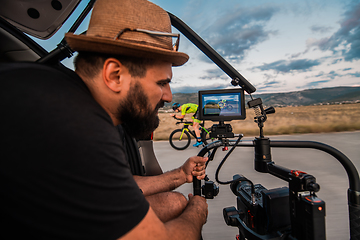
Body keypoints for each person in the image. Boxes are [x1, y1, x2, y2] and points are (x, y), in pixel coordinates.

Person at [0, 0, 208, 239]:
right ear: (115, 75)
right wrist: (198, 210)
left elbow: (114, 184)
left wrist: (180, 175)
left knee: (174, 201)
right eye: (162, 83)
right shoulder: (74, 122)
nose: (169, 97)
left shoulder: (57, 95)